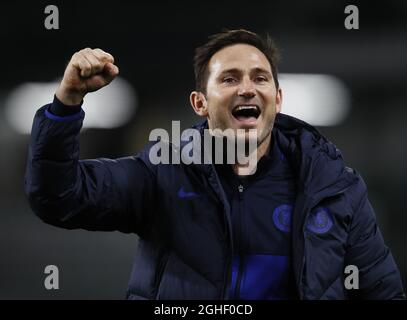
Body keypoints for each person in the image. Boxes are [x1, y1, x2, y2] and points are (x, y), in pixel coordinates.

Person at [25, 29, 405, 300]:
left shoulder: (334, 186)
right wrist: (68, 101)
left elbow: (381, 290)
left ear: (277, 97)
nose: (246, 88)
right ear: (200, 104)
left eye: (260, 77)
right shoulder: (163, 173)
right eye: (229, 78)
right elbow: (59, 197)